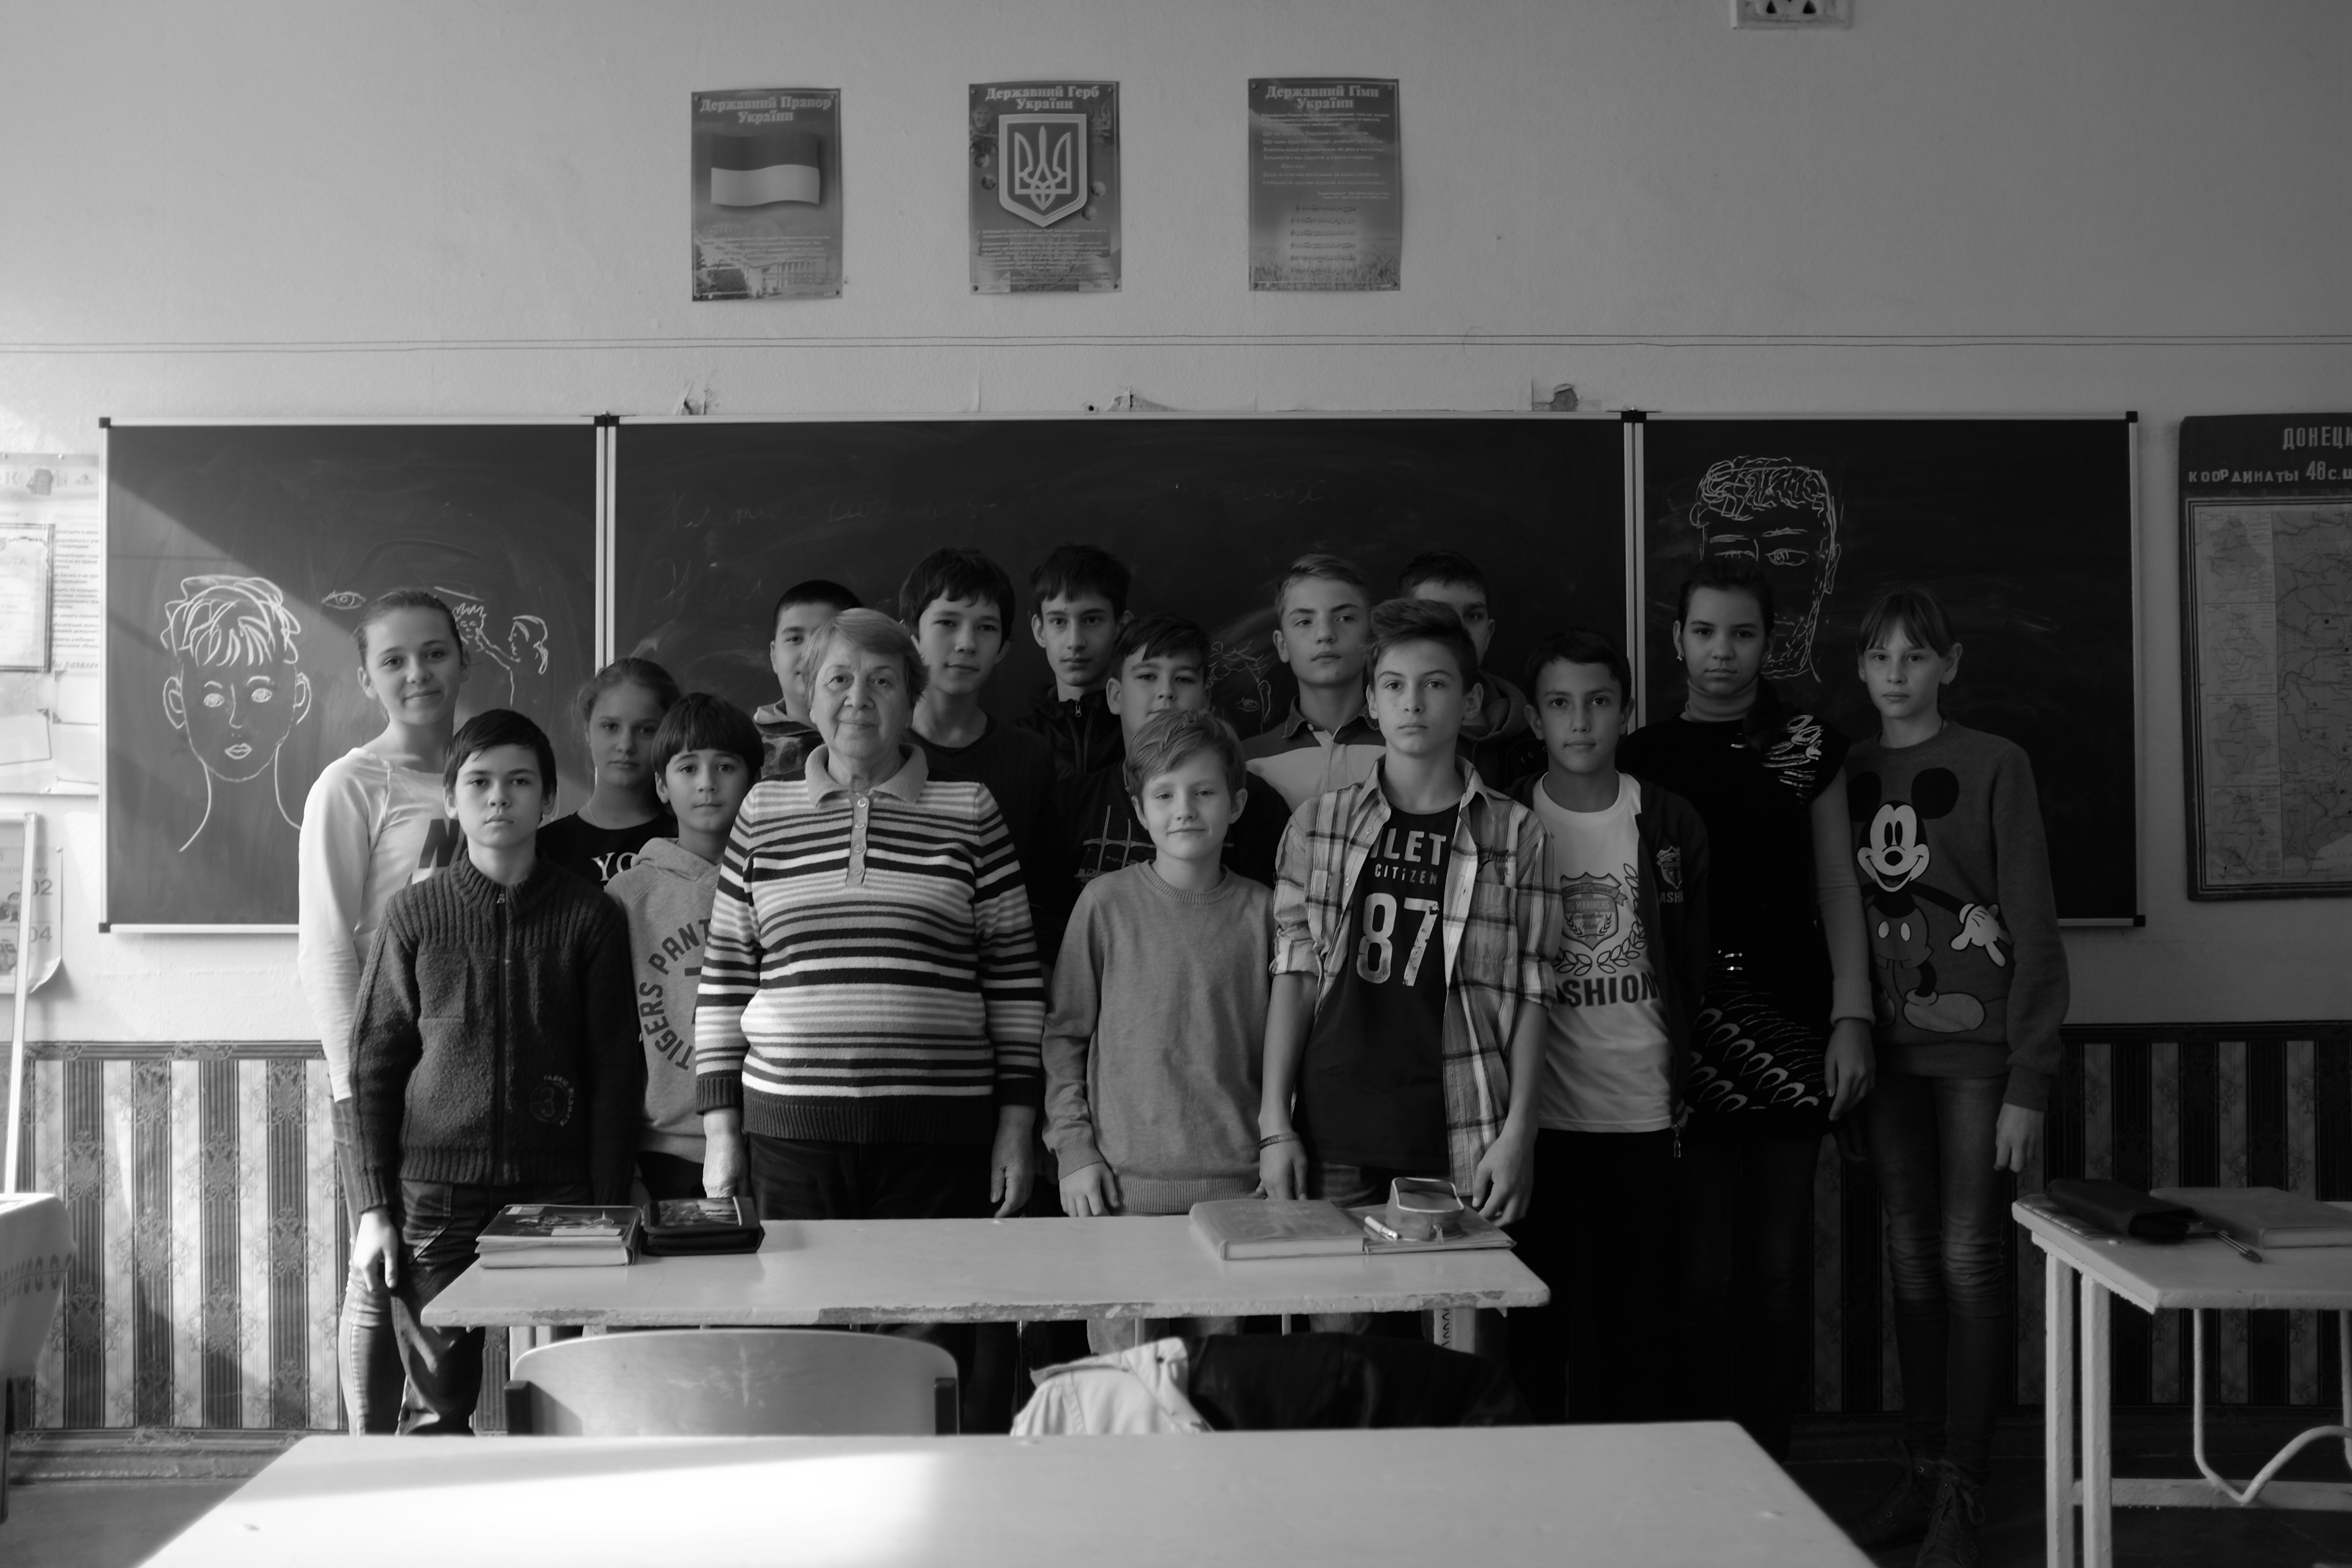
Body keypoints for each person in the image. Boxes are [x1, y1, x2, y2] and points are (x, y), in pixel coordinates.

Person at [694, 608, 1043, 1428]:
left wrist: (1016, 1125)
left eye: (884, 680)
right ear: (809, 696)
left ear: (913, 698)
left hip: (938, 1138)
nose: (860, 698)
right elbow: (724, 977)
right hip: (791, 1135)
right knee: (803, 1354)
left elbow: (1015, 977)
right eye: (840, 679)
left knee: (932, 1362)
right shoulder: (762, 814)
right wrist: (721, 1134)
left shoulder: (969, 809)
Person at [1614, 556, 1874, 1462]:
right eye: (1703, 631)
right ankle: (1697, 1464)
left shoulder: (1810, 745)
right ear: (1677, 638)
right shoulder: (1641, 756)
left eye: (1742, 633)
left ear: (1770, 640)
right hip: (1682, 1037)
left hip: (1794, 1029)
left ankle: (1770, 1462)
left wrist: (1852, 1018)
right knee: (1696, 1273)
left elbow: (1839, 884)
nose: (1721, 652)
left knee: (1772, 1270)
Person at [1840, 587, 2066, 1568]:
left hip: (1980, 1060)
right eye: (1882, 657)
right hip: (1884, 1058)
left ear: (1951, 664)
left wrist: (2031, 1078)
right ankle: (1923, 1471)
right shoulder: (1842, 773)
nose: (1898, 673)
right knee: (1911, 1265)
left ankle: (1967, 1492)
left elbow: (2036, 924)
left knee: (1972, 1261)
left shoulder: (1993, 766)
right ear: (1860, 668)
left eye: (1917, 656)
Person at [345, 708, 642, 1434]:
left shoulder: (589, 916)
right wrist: (373, 1207)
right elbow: (375, 1065)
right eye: (478, 782)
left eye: (519, 782)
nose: (499, 797)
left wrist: (606, 1204)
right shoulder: (414, 916)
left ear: (548, 799)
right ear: (451, 799)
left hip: (560, 1195)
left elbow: (614, 1067)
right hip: (438, 1198)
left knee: (564, 1400)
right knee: (437, 1402)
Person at [1258, 598, 1552, 1236]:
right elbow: (1295, 972)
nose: (1413, 702)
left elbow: (1534, 990)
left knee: (1460, 1327)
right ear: (1371, 702)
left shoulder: (1515, 832)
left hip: (1464, 1123)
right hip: (1334, 1125)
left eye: (1435, 684)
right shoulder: (1319, 823)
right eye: (1394, 685)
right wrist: (1274, 1126)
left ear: (1469, 701)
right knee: (1340, 1331)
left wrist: (1520, 1133)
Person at [1500, 629, 1710, 1425]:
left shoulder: (1665, 819)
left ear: (1625, 711)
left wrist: (1681, 1070)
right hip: (1538, 1125)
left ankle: (1641, 1508)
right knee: (1537, 1323)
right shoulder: (1506, 815)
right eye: (1560, 704)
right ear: (1534, 717)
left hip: (1642, 1116)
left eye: (1597, 702)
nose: (1579, 721)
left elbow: (1688, 967)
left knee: (1641, 1327)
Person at [296, 588, 471, 1434]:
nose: (417, 672)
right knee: (379, 1260)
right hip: (382, 1072)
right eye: (394, 659)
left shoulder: (487, 771)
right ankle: (366, 1458)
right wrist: (348, 1087)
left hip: (467, 1068)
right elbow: (329, 947)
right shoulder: (351, 784)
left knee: (443, 1269)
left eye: (434, 652)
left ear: (462, 659)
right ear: (367, 676)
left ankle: (446, 1446)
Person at [1045, 709, 1274, 1351]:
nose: (1186, 810)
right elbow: (1065, 1037)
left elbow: (1286, 1053)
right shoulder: (1106, 905)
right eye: (1165, 795)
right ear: (1140, 812)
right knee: (1129, 1387)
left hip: (1237, 1196)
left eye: (1204, 792)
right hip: (1119, 1190)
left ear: (1237, 804)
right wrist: (1074, 1151)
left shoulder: (1264, 913)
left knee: (1219, 1382)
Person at [604, 693, 763, 1204]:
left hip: (775, 1139)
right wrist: (624, 1165)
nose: (707, 783)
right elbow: (611, 1043)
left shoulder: (781, 881)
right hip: (666, 1153)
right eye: (688, 767)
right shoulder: (629, 897)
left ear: (754, 781)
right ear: (661, 786)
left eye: (726, 766)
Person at [898, 548, 1066, 956]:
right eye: (947, 623)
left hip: (1001, 983)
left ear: (1005, 647)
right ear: (909, 634)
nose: (967, 644)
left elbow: (1043, 896)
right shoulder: (876, 751)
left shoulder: (1029, 757)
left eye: (986, 628)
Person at [1061, 613, 1285, 892]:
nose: (1166, 692)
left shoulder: (1254, 802)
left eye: (1183, 678)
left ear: (1206, 700)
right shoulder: (1074, 803)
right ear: (1116, 696)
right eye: (1147, 676)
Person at [1242, 553, 1384, 813]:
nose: (1325, 635)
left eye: (1345, 618)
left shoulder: (1408, 746)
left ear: (1371, 634)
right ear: (1282, 646)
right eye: (1305, 622)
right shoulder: (1248, 759)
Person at [1399, 550, 1542, 787]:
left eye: (1473, 616)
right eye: (1440, 614)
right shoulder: (1386, 725)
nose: (1459, 631)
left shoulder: (1531, 736)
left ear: (1489, 633)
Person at [537, 657, 683, 887]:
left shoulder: (688, 840)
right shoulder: (545, 849)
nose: (626, 745)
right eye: (611, 727)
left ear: (668, 736)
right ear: (587, 731)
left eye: (646, 730)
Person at [1022, 543, 1131, 784]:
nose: (1075, 642)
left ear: (1121, 629)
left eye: (1091, 620)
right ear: (1040, 631)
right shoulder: (1015, 743)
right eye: (1059, 622)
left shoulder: (1145, 733)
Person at [754, 578, 859, 783]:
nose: (810, 654)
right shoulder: (744, 747)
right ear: (774, 657)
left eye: (827, 636)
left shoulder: (885, 740)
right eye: (794, 639)